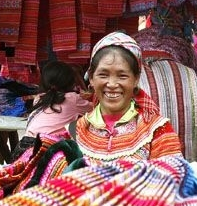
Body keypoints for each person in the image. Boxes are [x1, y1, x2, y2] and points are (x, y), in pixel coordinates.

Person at [67, 32, 183, 164]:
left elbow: (174, 178)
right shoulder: (74, 131)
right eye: (103, 75)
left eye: (122, 76)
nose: (111, 84)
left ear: (136, 79)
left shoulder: (156, 130)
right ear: (92, 78)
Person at [23, 60, 89, 143]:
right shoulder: (73, 99)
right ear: (72, 82)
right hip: (46, 148)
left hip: (25, 146)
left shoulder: (39, 98)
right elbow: (98, 109)